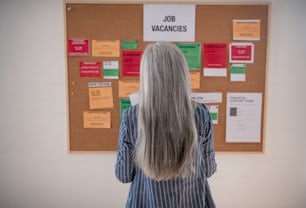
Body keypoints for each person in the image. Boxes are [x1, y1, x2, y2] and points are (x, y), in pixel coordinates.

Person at [115, 41, 217, 208]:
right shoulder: (201, 114)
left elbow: (123, 175)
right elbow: (209, 169)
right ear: (182, 75)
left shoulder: (131, 117)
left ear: (147, 77)